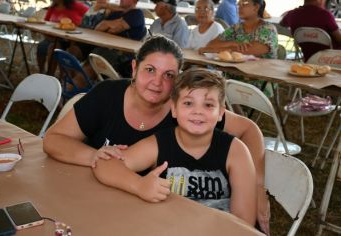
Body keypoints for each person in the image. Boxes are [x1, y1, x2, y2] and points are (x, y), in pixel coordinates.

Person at [43, 35, 269, 234]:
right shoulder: (109, 96)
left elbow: (248, 129)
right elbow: (54, 140)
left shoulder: (187, 110)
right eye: (150, 70)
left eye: (169, 74)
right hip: (109, 201)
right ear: (134, 68)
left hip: (164, 216)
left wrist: (257, 187)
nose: (157, 82)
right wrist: (95, 157)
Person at [92, 67, 257, 225]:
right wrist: (139, 185)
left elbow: (243, 222)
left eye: (208, 105)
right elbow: (105, 164)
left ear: (221, 112)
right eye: (188, 103)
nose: (197, 111)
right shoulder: (159, 144)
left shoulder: (235, 151)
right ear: (174, 109)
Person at [66, 0, 146, 85]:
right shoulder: (116, 13)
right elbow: (99, 27)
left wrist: (108, 25)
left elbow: (115, 29)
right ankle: (73, 82)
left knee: (88, 69)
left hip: (120, 53)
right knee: (71, 52)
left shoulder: (137, 14)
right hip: (101, 46)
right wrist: (109, 23)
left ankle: (72, 88)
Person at [199, 0, 278, 59]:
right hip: (232, 78)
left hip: (259, 79)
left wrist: (215, 50)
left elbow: (249, 50)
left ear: (256, 7)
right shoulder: (236, 28)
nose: (240, 7)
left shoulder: (268, 29)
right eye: (238, 4)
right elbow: (210, 45)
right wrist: (232, 43)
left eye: (244, 3)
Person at [36, 0, 89, 74]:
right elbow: (45, 23)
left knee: (67, 51)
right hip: (54, 38)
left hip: (74, 39)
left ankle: (63, 77)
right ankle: (47, 74)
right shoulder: (52, 8)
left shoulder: (77, 6)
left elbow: (89, 17)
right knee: (45, 46)